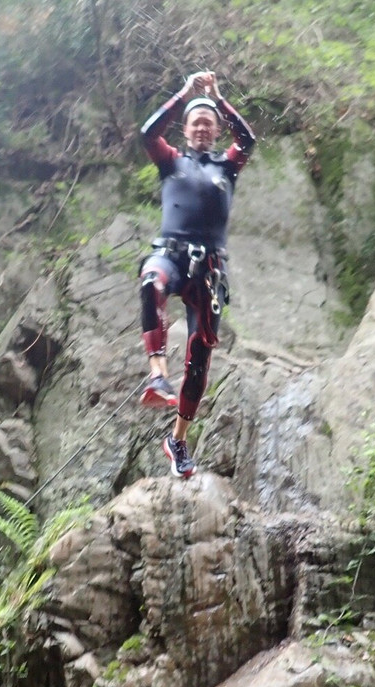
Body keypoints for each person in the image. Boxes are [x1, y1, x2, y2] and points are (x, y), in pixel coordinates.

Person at [137, 70, 255, 477]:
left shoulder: (228, 166)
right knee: (152, 281)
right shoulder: (171, 162)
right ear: (186, 130)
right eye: (196, 122)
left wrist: (218, 98)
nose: (203, 127)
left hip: (208, 272)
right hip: (170, 256)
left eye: (209, 123)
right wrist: (184, 94)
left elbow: (249, 141)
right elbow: (147, 134)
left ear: (216, 130)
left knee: (200, 358)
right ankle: (156, 376)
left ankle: (178, 439)